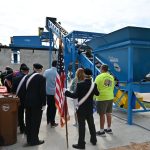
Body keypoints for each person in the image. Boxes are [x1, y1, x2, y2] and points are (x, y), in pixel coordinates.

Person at [65, 68, 99, 149]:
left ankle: (81, 144)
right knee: (91, 124)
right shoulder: (94, 84)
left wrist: (66, 92)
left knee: (82, 126)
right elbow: (97, 94)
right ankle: (94, 140)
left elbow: (74, 95)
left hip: (81, 109)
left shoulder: (80, 84)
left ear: (84, 74)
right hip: (90, 108)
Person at [24, 63, 46, 146]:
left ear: (33, 68)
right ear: (40, 69)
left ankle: (29, 139)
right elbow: (42, 92)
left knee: (28, 121)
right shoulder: (41, 78)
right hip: (37, 103)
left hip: (28, 102)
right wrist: (44, 103)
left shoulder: (28, 76)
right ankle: (34, 140)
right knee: (35, 122)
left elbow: (25, 90)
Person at [95, 64, 115, 137]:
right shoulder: (111, 77)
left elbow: (95, 88)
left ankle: (102, 131)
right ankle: (109, 129)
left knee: (102, 114)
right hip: (110, 97)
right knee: (109, 113)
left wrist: (94, 97)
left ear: (102, 69)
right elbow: (112, 87)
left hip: (102, 98)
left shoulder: (99, 77)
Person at [11, 65, 30, 134]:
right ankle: (28, 128)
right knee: (28, 114)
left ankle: (22, 128)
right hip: (28, 99)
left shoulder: (15, 78)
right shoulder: (29, 78)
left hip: (19, 99)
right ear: (27, 71)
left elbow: (13, 90)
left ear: (21, 70)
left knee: (20, 114)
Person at [43, 60, 58, 127]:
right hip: (54, 93)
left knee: (49, 106)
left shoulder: (46, 71)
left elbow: (43, 80)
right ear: (57, 65)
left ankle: (48, 120)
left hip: (47, 92)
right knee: (54, 108)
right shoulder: (57, 73)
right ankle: (52, 122)